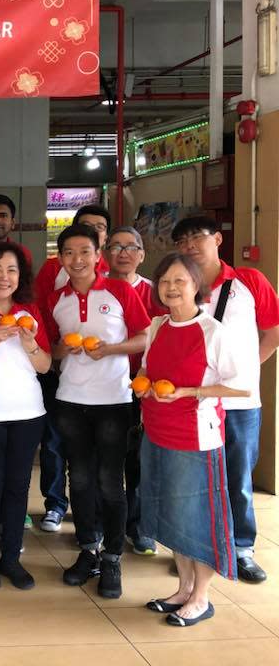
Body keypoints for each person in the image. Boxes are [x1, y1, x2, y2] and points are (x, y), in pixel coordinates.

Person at [138, 253, 248, 626]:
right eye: (165, 280)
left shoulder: (213, 332)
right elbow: (145, 370)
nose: (171, 287)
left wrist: (187, 392)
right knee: (170, 516)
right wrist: (143, 387)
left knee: (198, 519)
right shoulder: (156, 326)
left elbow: (240, 386)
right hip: (155, 434)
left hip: (196, 440)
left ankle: (201, 597)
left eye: (180, 280)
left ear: (197, 286)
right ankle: (183, 588)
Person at [172, 215, 279, 583]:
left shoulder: (249, 281)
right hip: (194, 404)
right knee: (196, 479)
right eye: (182, 241)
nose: (189, 246)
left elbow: (273, 331)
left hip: (238, 405)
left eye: (196, 238)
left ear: (217, 238)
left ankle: (241, 548)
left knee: (238, 477)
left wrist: (246, 371)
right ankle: (199, 548)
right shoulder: (180, 286)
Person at [46, 224, 150, 599]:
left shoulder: (120, 290)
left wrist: (110, 349)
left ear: (98, 255)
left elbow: (144, 335)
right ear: (61, 259)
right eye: (69, 253)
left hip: (114, 401)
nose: (77, 259)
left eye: (84, 252)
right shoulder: (57, 299)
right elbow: (51, 349)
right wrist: (64, 350)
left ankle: (112, 557)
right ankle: (88, 548)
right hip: (71, 400)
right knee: (82, 479)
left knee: (110, 480)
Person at [0, 243, 51, 590]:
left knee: (18, 488)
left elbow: (45, 365)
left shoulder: (29, 312)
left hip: (28, 412)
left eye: (12, 270)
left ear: (21, 277)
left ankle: (12, 558)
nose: (4, 277)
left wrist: (29, 342)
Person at [34, 204, 112, 534]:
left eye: (98, 229)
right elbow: (39, 313)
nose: (79, 256)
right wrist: (52, 355)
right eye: (84, 227)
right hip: (58, 371)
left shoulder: (112, 275)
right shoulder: (53, 271)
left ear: (102, 241)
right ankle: (54, 504)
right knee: (54, 442)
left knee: (95, 453)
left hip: (107, 385)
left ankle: (95, 517)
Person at [104, 226, 165, 557]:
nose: (124, 253)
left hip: (146, 387)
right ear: (105, 253)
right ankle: (104, 522)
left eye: (132, 247)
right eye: (116, 246)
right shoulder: (96, 290)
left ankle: (139, 527)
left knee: (139, 460)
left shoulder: (156, 294)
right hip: (105, 388)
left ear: (142, 255)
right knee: (107, 459)